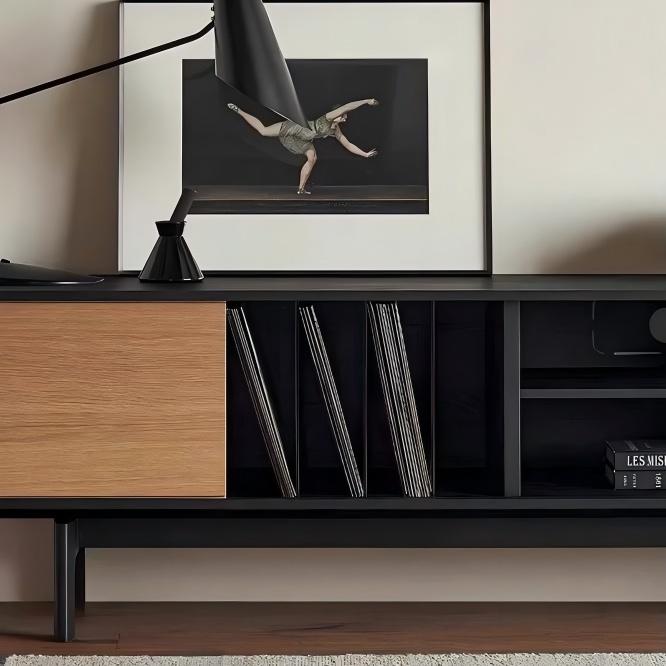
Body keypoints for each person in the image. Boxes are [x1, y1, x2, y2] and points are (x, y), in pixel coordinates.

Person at [227, 98, 380, 194]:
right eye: (343, 116)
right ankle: (239, 110)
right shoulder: (328, 117)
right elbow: (347, 106)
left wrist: (365, 154)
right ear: (337, 113)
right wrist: (366, 101)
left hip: (304, 139)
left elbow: (347, 144)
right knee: (263, 131)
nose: (345, 118)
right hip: (298, 128)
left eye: (345, 116)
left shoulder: (335, 130)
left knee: (312, 157)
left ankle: (301, 188)